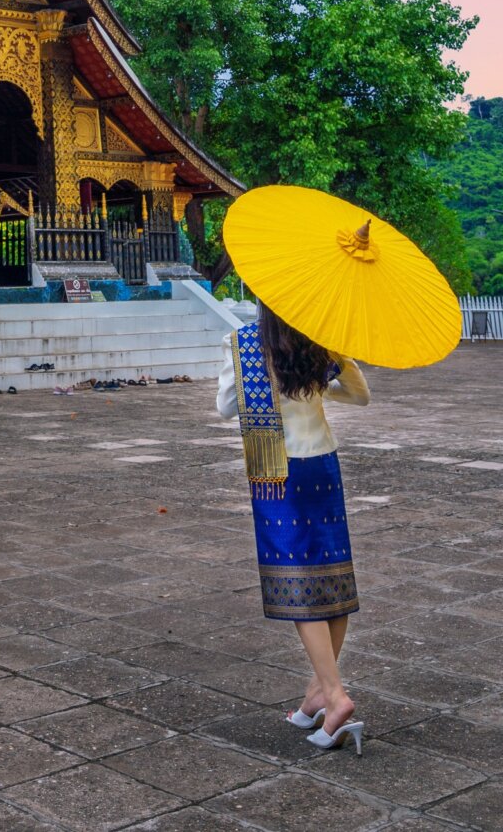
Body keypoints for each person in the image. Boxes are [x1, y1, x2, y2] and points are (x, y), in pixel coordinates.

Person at [216, 303, 369, 752]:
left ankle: (337, 698)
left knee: (300, 587)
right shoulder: (321, 340)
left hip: (278, 471)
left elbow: (226, 407)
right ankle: (317, 693)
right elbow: (360, 396)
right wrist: (324, 376)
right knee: (331, 577)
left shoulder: (245, 343)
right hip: (322, 463)